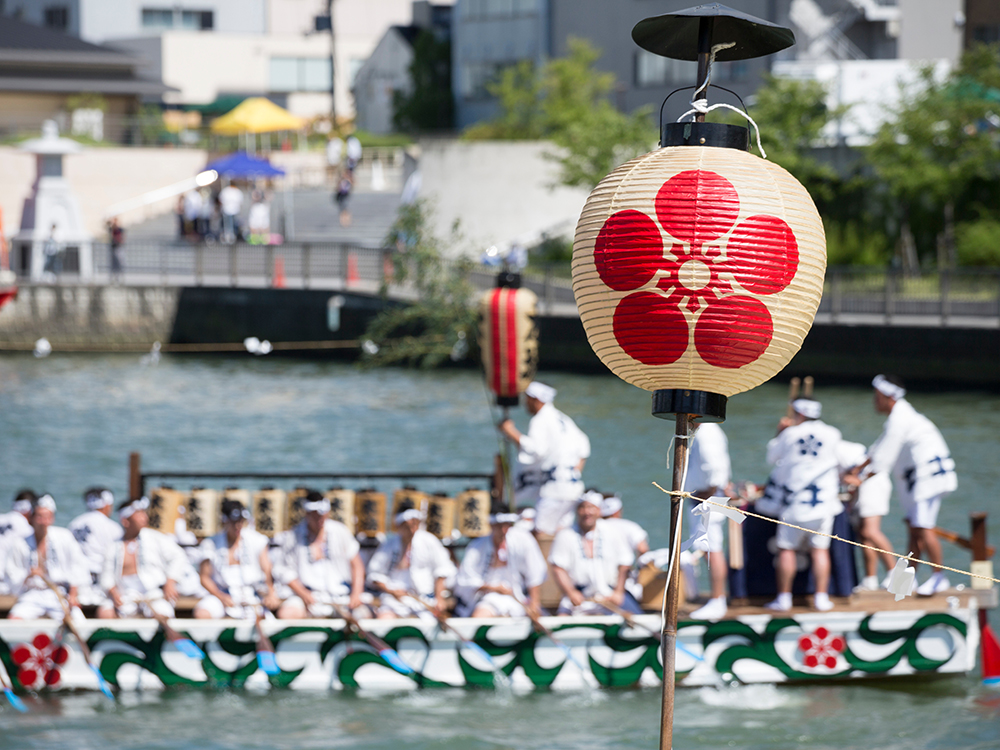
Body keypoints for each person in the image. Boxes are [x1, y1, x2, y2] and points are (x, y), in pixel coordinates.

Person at [846, 375, 957, 595]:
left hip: (928, 478)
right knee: (915, 529)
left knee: (924, 528)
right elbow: (878, 448)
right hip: (921, 478)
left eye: (877, 397)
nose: (874, 401)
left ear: (888, 398)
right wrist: (859, 468)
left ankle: (939, 577)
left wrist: (859, 478)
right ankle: (905, 582)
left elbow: (884, 459)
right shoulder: (900, 416)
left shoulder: (900, 419)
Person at [764, 398, 848, 612]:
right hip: (823, 502)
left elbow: (771, 458)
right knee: (820, 550)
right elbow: (844, 463)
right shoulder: (833, 433)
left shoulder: (790, 433)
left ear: (798, 413)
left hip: (795, 502)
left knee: (786, 549)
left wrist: (779, 431)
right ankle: (821, 597)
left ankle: (784, 598)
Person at [498, 381, 591, 536]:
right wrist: (573, 472)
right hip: (573, 485)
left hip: (554, 488)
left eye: (527, 399)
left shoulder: (540, 420)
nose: (525, 403)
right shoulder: (563, 419)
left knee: (540, 532)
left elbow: (535, 450)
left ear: (536, 399)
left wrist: (510, 431)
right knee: (562, 533)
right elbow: (584, 447)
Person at [273, 491, 366, 619]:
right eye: (315, 515)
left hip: (340, 594)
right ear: (307, 514)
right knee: (287, 614)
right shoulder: (293, 536)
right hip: (306, 596)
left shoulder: (340, 530)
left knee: (363, 615)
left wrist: (356, 594)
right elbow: (284, 570)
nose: (319, 518)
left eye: (322, 514)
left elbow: (357, 565)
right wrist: (303, 593)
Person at [98, 497, 193, 619]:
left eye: (143, 513)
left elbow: (178, 556)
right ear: (125, 520)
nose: (144, 517)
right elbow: (107, 575)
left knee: (162, 613)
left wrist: (171, 581)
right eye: (138, 514)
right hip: (125, 594)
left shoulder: (155, 538)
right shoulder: (114, 546)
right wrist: (112, 591)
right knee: (105, 612)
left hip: (153, 593)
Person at [548, 490, 638, 616]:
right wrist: (571, 592)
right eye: (582, 507)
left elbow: (625, 563)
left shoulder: (613, 531)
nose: (587, 512)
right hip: (579, 596)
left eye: (591, 507)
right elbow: (558, 567)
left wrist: (618, 592)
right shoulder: (565, 535)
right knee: (562, 619)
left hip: (610, 594)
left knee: (634, 617)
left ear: (599, 510)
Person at [6, 495, 88, 622]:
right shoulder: (20, 543)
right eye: (39, 516)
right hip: (32, 593)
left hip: (58, 593)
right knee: (14, 620)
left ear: (52, 518)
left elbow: (77, 567)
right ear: (31, 518)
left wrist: (73, 595)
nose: (44, 521)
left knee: (78, 620)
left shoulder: (64, 537)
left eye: (47, 517)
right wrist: (29, 575)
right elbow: (12, 574)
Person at [195, 500, 280, 619]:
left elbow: (267, 569)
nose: (237, 526)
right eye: (233, 522)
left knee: (264, 617)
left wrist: (271, 593)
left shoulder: (256, 539)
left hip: (251, 594)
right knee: (202, 613)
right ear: (224, 521)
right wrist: (221, 596)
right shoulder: (210, 543)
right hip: (222, 594)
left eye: (240, 521)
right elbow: (204, 577)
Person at [453, 511, 547, 618]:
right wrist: (493, 588)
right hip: (488, 598)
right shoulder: (477, 546)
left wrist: (534, 605)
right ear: (491, 525)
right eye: (499, 526)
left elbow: (535, 573)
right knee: (480, 616)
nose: (503, 530)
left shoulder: (523, 540)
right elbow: (465, 580)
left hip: (517, 597)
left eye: (506, 525)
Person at [367, 508, 456, 620]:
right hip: (394, 598)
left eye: (414, 524)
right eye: (407, 526)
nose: (411, 529)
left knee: (429, 622)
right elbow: (375, 573)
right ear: (399, 526)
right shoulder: (390, 544)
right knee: (384, 618)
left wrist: (439, 598)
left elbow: (442, 570)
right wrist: (391, 590)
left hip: (423, 599)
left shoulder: (429, 541)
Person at [685, 422, 733, 620]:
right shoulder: (706, 430)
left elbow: (714, 468)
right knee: (706, 548)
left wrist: (708, 494)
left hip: (707, 499)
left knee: (711, 548)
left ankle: (717, 598)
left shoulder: (706, 432)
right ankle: (716, 597)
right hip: (704, 497)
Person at [839, 441, 896, 592]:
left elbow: (875, 463)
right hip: (864, 484)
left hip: (872, 483)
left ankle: (897, 575)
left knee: (870, 531)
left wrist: (857, 479)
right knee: (863, 535)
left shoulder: (832, 448)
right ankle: (870, 579)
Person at [68, 487, 123, 607]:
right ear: (106, 505)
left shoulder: (74, 523)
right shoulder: (112, 527)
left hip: (76, 581)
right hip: (99, 582)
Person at [107, 217, 124, 281]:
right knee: (113, 264)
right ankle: (112, 277)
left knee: (119, 263)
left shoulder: (119, 230)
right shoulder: (112, 230)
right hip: (113, 248)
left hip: (118, 248)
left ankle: (119, 277)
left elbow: (121, 238)